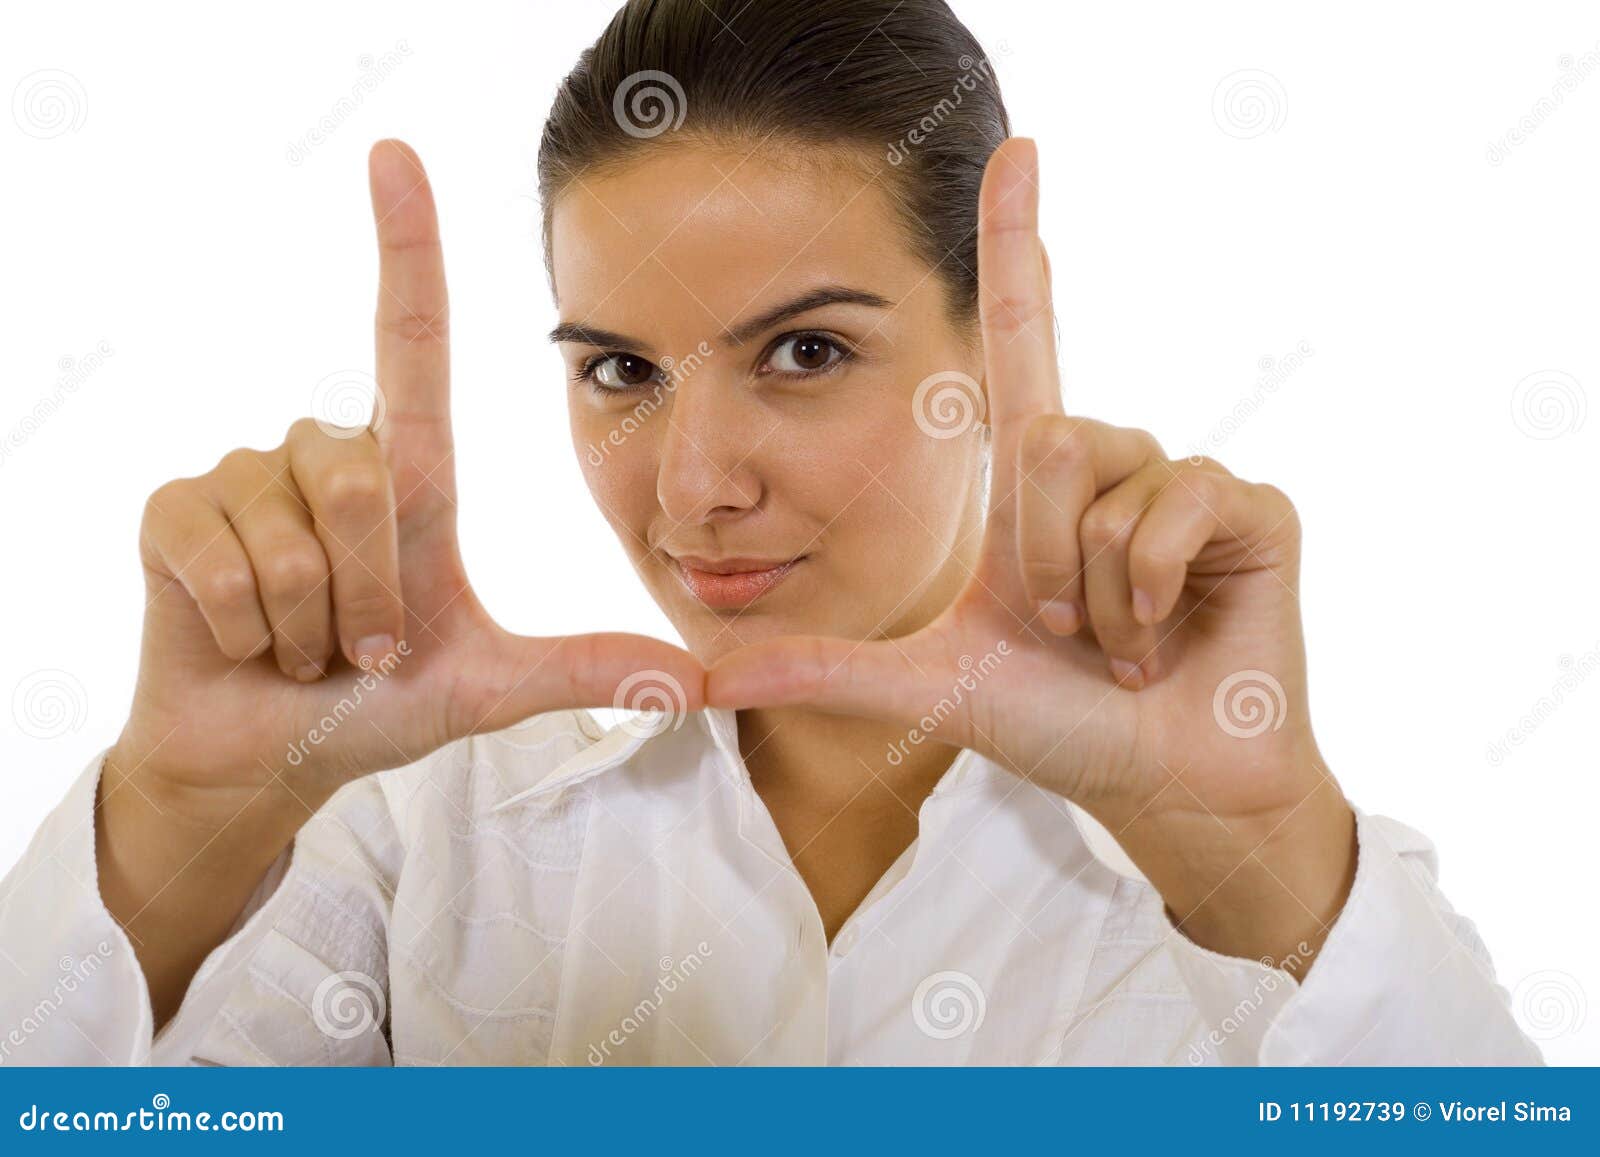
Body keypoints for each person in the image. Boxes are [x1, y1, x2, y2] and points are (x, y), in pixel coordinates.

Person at [0, 0, 1540, 1065]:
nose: (691, 488)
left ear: (992, 363)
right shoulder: (406, 840)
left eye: (804, 352)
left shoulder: (1273, 885)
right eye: (621, 370)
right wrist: (169, 829)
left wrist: (1265, 869)